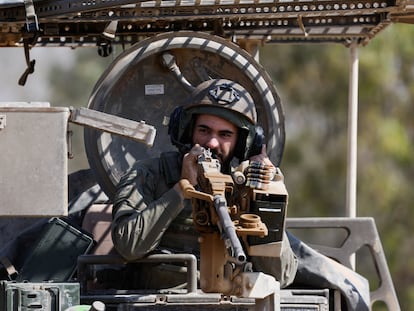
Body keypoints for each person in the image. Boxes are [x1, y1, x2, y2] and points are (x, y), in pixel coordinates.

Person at [111, 79, 370, 310]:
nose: (212, 143)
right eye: (204, 130)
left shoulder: (247, 185)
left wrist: (265, 195)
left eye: (225, 135)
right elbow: (128, 246)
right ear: (187, 131)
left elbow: (279, 275)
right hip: (160, 302)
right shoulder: (151, 173)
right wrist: (181, 190)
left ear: (243, 143)